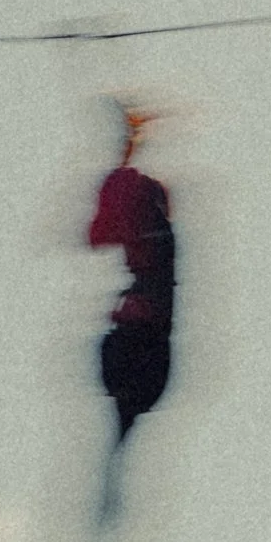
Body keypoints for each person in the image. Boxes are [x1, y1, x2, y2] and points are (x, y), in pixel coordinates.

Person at [86, 105, 176, 508]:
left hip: (142, 333)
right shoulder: (144, 381)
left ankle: (130, 132)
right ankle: (130, 132)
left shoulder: (141, 381)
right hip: (143, 333)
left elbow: (103, 233)